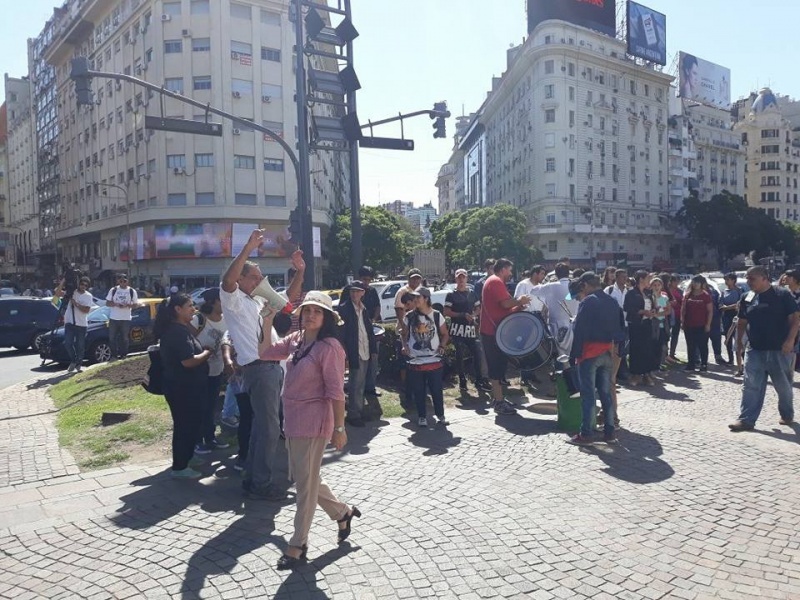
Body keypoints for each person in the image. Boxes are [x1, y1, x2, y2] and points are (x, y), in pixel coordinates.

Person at [259, 291, 359, 570]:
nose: (311, 315)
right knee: (307, 477)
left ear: (326, 317)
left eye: (317, 311)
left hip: (315, 421)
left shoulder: (330, 348)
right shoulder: (297, 340)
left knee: (304, 485)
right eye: (307, 311)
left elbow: (336, 392)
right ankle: (342, 512)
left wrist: (340, 428)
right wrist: (267, 321)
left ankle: (298, 544)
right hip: (292, 419)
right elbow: (265, 351)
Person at [220, 229, 305, 501]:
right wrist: (247, 247)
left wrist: (300, 272)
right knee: (269, 429)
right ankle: (261, 483)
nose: (260, 280)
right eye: (254, 277)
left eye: (260, 277)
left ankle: (252, 478)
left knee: (261, 427)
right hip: (260, 367)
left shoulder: (256, 299)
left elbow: (287, 300)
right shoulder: (233, 299)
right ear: (241, 279)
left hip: (269, 368)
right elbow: (227, 279)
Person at [729, 266, 799, 431]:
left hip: (779, 350)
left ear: (764, 278)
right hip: (755, 349)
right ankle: (746, 419)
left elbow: (795, 319)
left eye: (752, 278)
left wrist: (790, 341)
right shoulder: (748, 297)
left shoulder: (782, 295)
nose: (748, 282)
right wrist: (739, 342)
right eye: (747, 278)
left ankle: (787, 414)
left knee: (783, 386)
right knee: (751, 385)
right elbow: (742, 321)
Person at [153, 293, 214, 479]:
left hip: (190, 387)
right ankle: (180, 466)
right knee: (184, 425)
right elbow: (188, 361)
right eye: (189, 306)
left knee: (192, 424)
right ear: (177, 310)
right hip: (181, 388)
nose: (194, 310)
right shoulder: (175, 332)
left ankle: (188, 457)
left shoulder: (181, 328)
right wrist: (206, 353)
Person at [566, 272, 625, 445]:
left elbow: (580, 331)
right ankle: (610, 432)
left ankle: (586, 434)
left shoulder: (588, 302)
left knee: (588, 395)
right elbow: (620, 328)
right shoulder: (612, 301)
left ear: (584, 285)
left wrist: (574, 355)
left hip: (590, 353)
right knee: (605, 394)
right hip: (607, 352)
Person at [479, 258, 530, 415]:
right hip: (492, 332)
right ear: (502, 269)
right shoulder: (495, 282)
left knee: (499, 367)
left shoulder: (494, 281)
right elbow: (505, 304)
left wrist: (518, 306)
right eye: (509, 270)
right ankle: (499, 402)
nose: (510, 273)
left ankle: (498, 398)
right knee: (496, 368)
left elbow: (504, 308)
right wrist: (519, 300)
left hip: (495, 331)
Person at [189, 288, 231, 454]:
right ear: (213, 302)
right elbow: (187, 339)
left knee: (211, 406)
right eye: (222, 300)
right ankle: (197, 441)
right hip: (199, 371)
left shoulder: (227, 319)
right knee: (199, 406)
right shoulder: (198, 319)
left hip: (217, 370)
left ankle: (210, 437)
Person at [401, 287, 450, 427]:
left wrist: (442, 346)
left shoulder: (436, 315)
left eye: (418, 297)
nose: (415, 300)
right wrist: (404, 346)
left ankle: (440, 415)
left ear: (426, 299)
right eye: (414, 297)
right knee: (419, 390)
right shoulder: (409, 316)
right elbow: (403, 334)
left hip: (433, 358)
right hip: (415, 359)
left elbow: (445, 334)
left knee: (436, 389)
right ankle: (422, 416)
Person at [337, 280, 378, 427]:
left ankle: (358, 411)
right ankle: (353, 414)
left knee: (361, 383)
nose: (354, 294)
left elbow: (368, 331)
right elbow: (340, 334)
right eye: (352, 291)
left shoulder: (364, 308)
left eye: (357, 291)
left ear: (362, 293)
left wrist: (373, 349)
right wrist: (345, 353)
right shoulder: (343, 309)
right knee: (355, 384)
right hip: (353, 351)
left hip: (365, 348)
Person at [444, 268, 490, 393]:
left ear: (466, 278)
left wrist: (473, 315)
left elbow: (478, 308)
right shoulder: (451, 295)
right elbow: (446, 311)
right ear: (455, 279)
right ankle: (462, 380)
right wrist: (462, 315)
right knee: (459, 355)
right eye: (459, 277)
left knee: (477, 353)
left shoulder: (472, 293)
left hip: (470, 330)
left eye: (463, 277)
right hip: (457, 330)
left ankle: (479, 379)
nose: (461, 279)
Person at [534, 263, 578, 356]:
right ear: (568, 273)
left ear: (556, 274)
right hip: (575, 325)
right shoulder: (576, 286)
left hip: (556, 327)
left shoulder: (551, 286)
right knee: (574, 355)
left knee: (559, 356)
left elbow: (533, 290)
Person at [514, 265, 548, 385]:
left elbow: (543, 302)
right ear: (535, 273)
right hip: (526, 317)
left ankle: (532, 374)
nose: (543, 277)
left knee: (535, 347)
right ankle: (524, 376)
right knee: (525, 347)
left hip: (538, 316)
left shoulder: (541, 287)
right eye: (542, 274)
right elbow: (517, 300)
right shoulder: (523, 284)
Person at [623, 271, 657, 386]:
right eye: (648, 278)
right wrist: (641, 312)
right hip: (636, 324)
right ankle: (636, 374)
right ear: (641, 279)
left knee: (648, 348)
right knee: (636, 349)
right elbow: (627, 307)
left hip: (647, 323)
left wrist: (653, 311)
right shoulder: (632, 293)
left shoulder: (648, 293)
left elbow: (655, 305)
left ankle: (647, 374)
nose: (649, 281)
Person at [681, 275, 713, 372]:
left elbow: (710, 311)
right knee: (690, 345)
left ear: (702, 284)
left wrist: (708, 324)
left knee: (702, 345)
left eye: (697, 282)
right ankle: (691, 364)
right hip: (689, 324)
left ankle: (703, 364)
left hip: (702, 325)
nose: (695, 284)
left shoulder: (706, 295)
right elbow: (683, 309)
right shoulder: (688, 295)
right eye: (694, 282)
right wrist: (682, 321)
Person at [63, 277, 94, 374]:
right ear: (78, 284)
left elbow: (86, 310)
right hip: (70, 322)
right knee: (68, 343)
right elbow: (57, 292)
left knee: (80, 345)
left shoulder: (88, 296)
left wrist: (76, 304)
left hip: (81, 324)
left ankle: (78, 363)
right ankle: (73, 360)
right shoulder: (73, 292)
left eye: (85, 285)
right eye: (82, 284)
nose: (83, 286)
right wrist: (64, 281)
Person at [105, 273, 139, 361]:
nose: (122, 282)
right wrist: (116, 304)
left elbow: (135, 305)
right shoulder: (113, 290)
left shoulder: (132, 291)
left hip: (126, 318)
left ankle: (124, 355)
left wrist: (128, 305)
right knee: (112, 338)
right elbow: (107, 303)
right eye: (121, 281)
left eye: (124, 281)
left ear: (127, 281)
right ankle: (114, 356)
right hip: (114, 318)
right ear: (118, 281)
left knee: (124, 338)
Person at [720, 273, 744, 373]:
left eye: (728, 279)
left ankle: (743, 360)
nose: (726, 281)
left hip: (736, 315)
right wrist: (724, 307)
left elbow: (740, 303)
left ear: (733, 280)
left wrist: (728, 307)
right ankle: (731, 359)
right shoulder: (724, 291)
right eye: (725, 279)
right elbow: (720, 303)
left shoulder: (739, 291)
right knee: (727, 337)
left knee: (739, 339)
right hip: (726, 317)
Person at [393, 269, 424, 338]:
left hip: (418, 328)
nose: (416, 280)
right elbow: (399, 310)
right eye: (413, 278)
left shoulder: (422, 291)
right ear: (408, 279)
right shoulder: (402, 291)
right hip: (405, 327)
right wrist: (403, 327)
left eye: (418, 278)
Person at [650, 277, 672, 370]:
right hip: (652, 325)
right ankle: (652, 365)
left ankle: (659, 364)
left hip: (662, 324)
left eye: (658, 285)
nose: (656, 287)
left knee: (661, 345)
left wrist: (659, 314)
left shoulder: (664, 298)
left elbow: (668, 310)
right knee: (652, 345)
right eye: (654, 285)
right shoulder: (650, 297)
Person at [667, 274, 684, 361]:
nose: (677, 283)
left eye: (678, 281)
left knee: (675, 335)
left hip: (677, 315)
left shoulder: (680, 291)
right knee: (666, 334)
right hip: (668, 315)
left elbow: (682, 302)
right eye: (675, 281)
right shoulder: (666, 291)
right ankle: (665, 354)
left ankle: (672, 353)